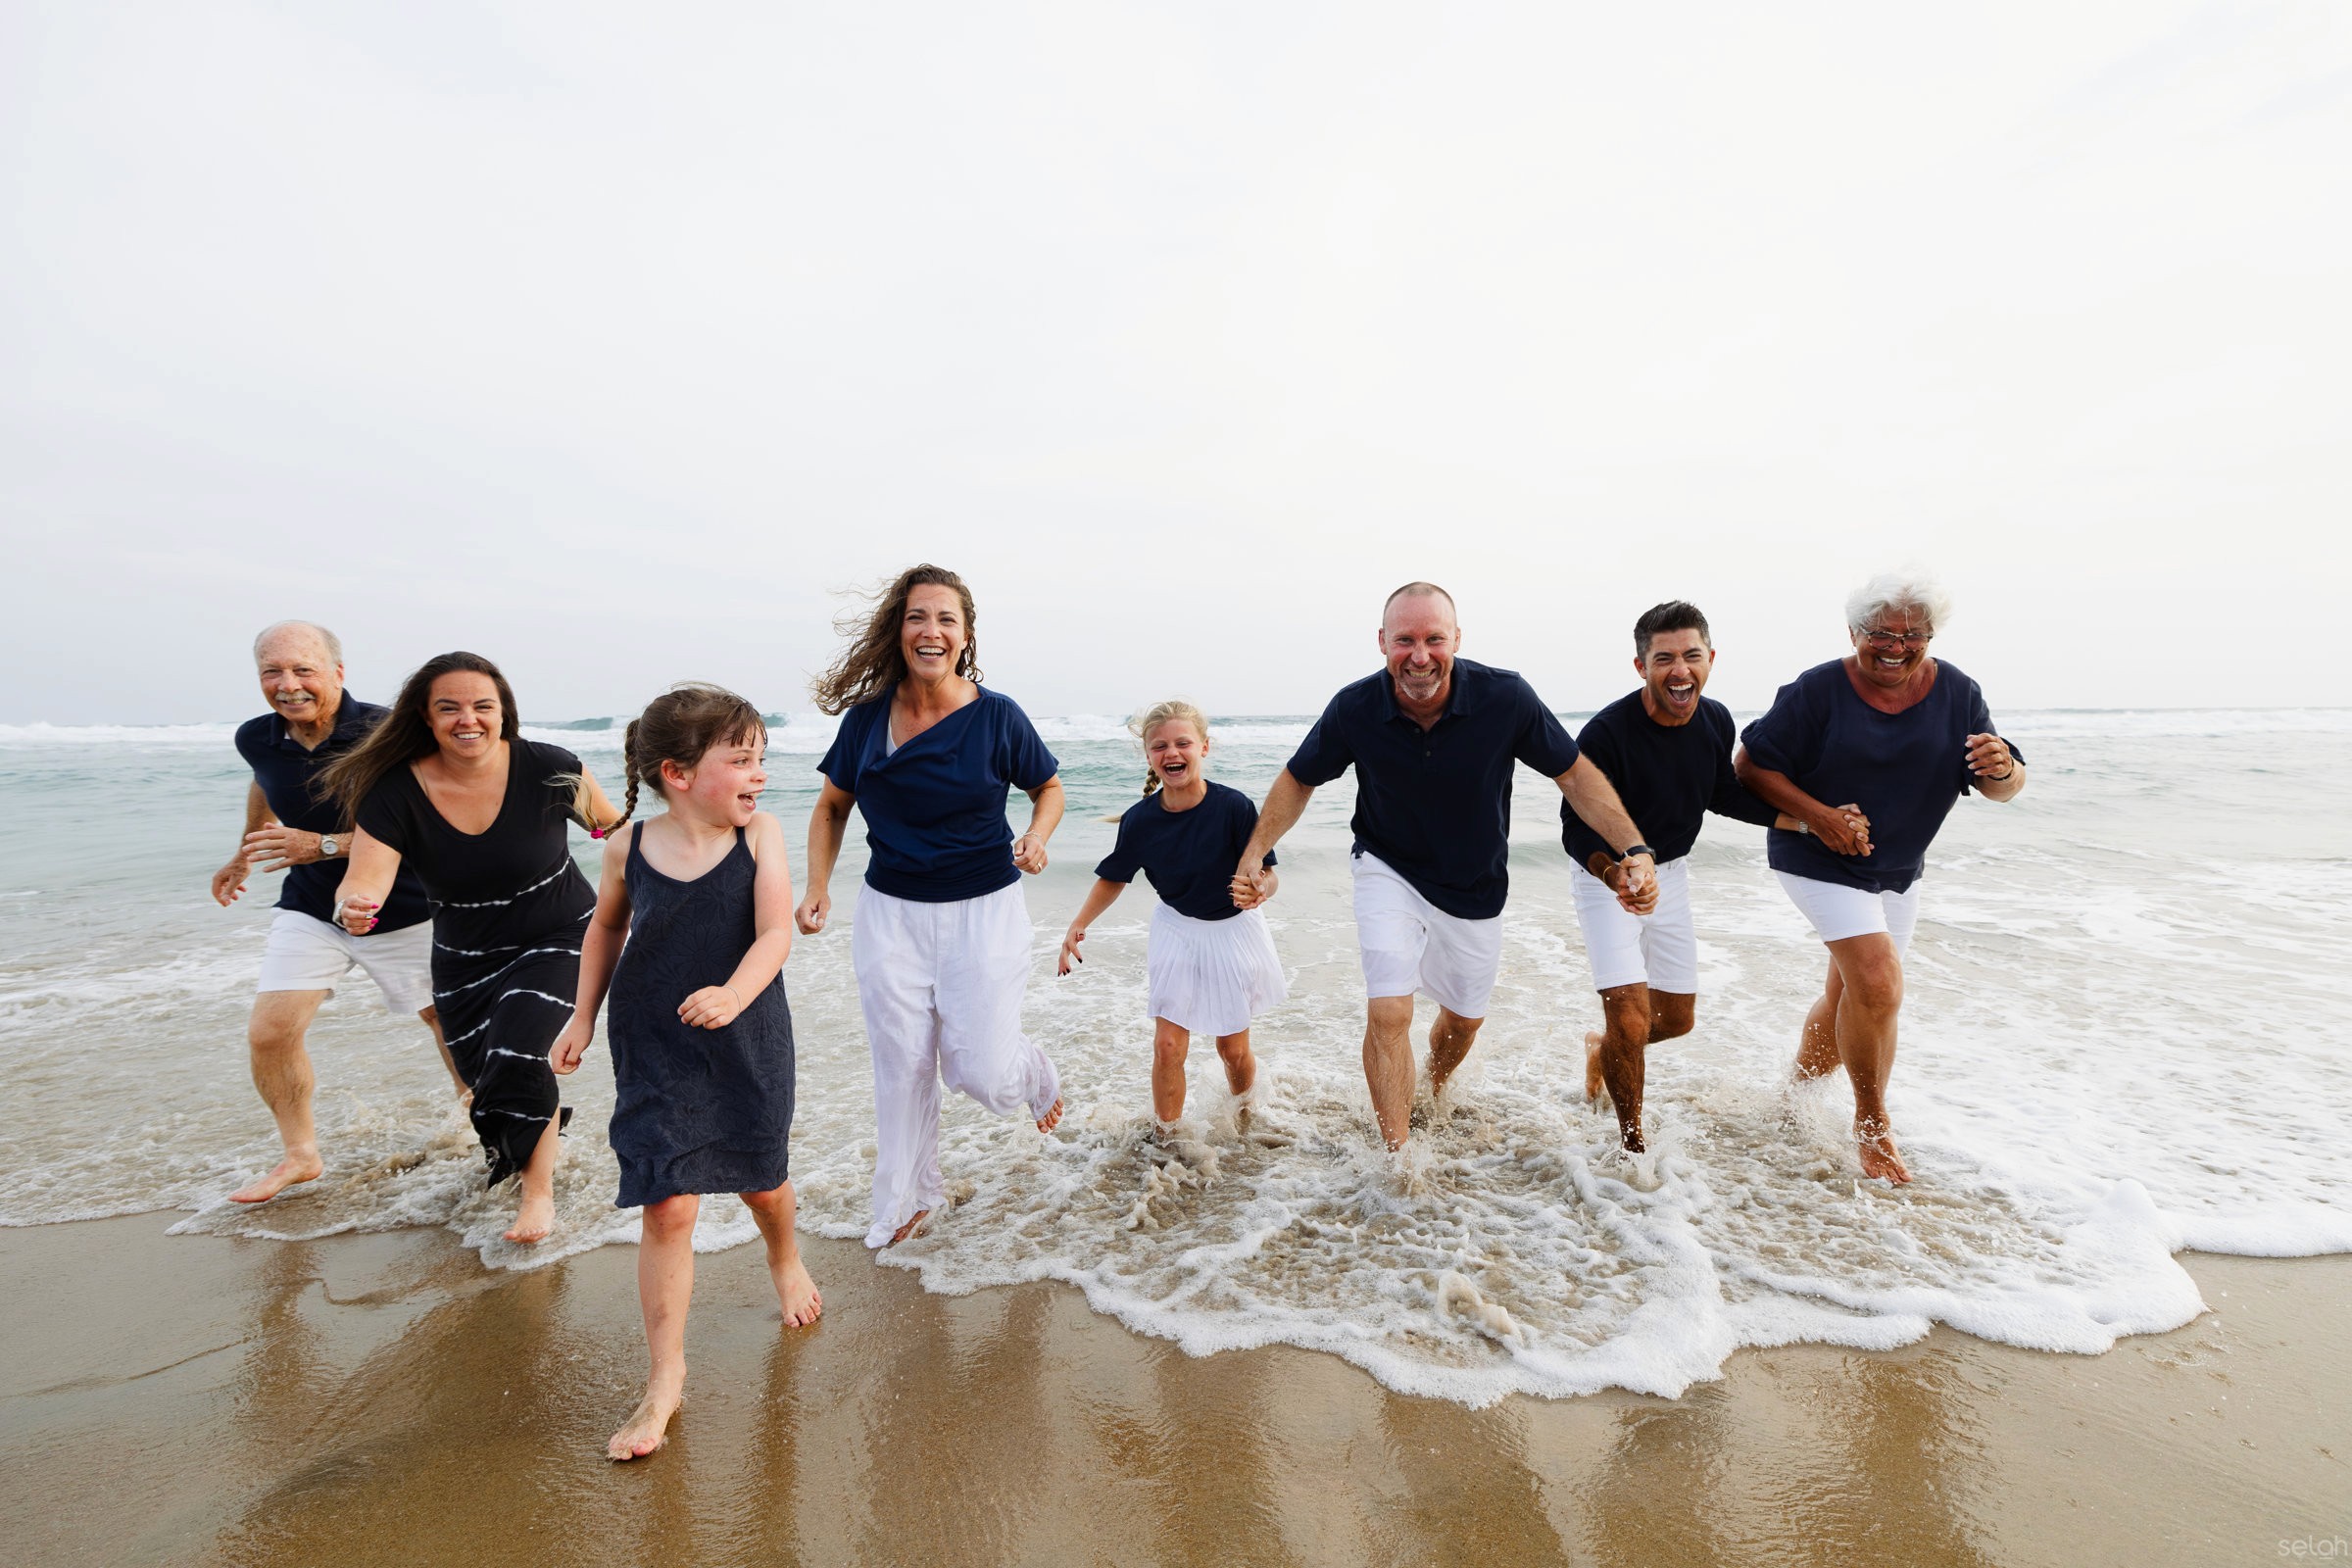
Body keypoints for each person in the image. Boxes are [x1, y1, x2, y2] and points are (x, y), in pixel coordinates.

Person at [1235, 582, 1659, 1152]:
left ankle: (1432, 1088)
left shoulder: (1505, 698)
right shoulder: (1356, 707)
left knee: (1462, 1022)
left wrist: (1633, 848)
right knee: (1389, 1009)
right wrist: (1255, 851)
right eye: (1404, 639)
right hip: (1386, 865)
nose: (1419, 655)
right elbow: (1299, 779)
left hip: (1474, 885)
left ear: (1457, 639)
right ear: (1382, 641)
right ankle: (1398, 1159)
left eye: (1435, 638)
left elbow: (1575, 777)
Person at [552, 683, 817, 1462]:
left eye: (761, 759)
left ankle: (784, 1256)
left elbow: (775, 932)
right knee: (667, 1205)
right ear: (677, 772)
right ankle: (664, 1377)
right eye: (741, 760)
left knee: (761, 1181)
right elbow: (606, 927)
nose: (758, 775)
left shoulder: (760, 834)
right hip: (655, 1037)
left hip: (748, 1034)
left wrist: (735, 994)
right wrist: (580, 1016)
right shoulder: (627, 846)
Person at [796, 564, 1067, 1249]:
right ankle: (907, 1199)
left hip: (985, 911)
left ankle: (1031, 1071)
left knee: (981, 1072)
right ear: (899, 628)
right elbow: (832, 807)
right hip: (891, 915)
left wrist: (1036, 837)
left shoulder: (997, 716)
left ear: (965, 635)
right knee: (903, 1063)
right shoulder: (866, 722)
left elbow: (1050, 788)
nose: (932, 631)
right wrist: (819, 886)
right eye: (919, 616)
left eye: (947, 619)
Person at [1734, 572, 2027, 1183]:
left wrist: (2005, 771)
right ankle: (1872, 1125)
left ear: (1929, 636)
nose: (1895, 646)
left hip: (1899, 870)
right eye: (1879, 633)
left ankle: (1793, 1099)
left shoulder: (1958, 693)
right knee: (1879, 985)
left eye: (1911, 634)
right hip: (1817, 857)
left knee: (1850, 994)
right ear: (1854, 632)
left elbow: (2000, 785)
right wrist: (1819, 818)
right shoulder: (1817, 690)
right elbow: (1750, 766)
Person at [321, 651, 620, 1243]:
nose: (468, 719)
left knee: (519, 1051)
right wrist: (352, 906)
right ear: (425, 719)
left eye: (483, 706)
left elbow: (615, 832)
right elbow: (367, 876)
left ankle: (539, 1196)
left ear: (503, 711)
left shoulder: (550, 767)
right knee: (485, 1087)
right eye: (449, 708)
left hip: (561, 932)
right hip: (464, 954)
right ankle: (509, 1168)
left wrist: (694, 863)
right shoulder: (394, 790)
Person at [1564, 602, 1848, 1152]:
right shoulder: (1605, 733)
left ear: (1710, 659)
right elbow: (1575, 829)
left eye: (1691, 656)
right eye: (1663, 658)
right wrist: (1614, 875)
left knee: (1675, 1019)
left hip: (1672, 874)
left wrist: (1805, 821)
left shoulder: (1716, 720)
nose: (1679, 670)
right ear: (1640, 665)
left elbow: (1720, 792)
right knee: (1628, 1016)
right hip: (1606, 879)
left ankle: (1600, 1051)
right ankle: (1632, 1150)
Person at [212, 620, 462, 1204]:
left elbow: (435, 820)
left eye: (304, 669)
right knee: (270, 1032)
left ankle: (486, 1129)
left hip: (407, 905)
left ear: (338, 673)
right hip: (311, 908)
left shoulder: (389, 732)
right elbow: (266, 783)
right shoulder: (256, 736)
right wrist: (247, 850)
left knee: (448, 1024)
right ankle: (300, 1155)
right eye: (272, 672)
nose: (288, 684)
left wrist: (320, 844)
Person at [1057, 700, 1287, 1131]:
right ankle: (1169, 1140)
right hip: (1176, 930)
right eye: (1160, 746)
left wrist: (1261, 891)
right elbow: (1113, 877)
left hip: (1232, 932)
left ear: (1204, 747)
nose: (1172, 753)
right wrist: (1078, 924)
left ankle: (1244, 1115)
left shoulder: (1235, 807)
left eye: (1183, 743)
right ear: (1148, 756)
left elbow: (1269, 873)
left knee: (1232, 1050)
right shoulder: (1140, 821)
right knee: (1167, 1045)